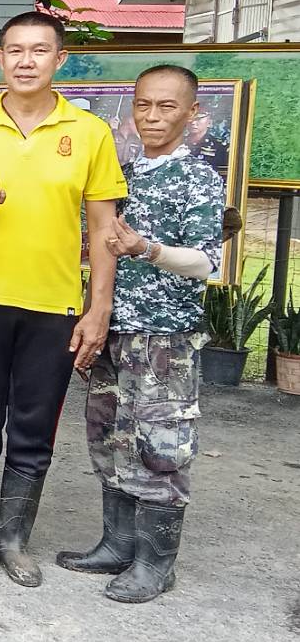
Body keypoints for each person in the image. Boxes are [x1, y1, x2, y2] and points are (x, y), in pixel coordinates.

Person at [0, 11, 127, 587]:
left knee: (36, 422)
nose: (25, 60)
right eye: (14, 50)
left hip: (54, 302)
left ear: (58, 59)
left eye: (39, 50)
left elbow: (103, 227)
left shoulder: (88, 133)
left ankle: (16, 538)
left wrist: (99, 307)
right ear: (1, 58)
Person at [57, 65, 223, 603]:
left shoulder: (199, 178)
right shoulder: (122, 172)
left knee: (162, 446)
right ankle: (117, 544)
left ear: (191, 113)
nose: (152, 117)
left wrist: (148, 250)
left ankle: (156, 564)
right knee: (109, 438)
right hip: (112, 329)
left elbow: (206, 263)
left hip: (164, 340)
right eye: (144, 105)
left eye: (167, 107)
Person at [184, 107, 229, 172]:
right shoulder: (177, 144)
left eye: (198, 119)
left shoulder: (220, 147)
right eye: (190, 118)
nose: (193, 122)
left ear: (209, 123)